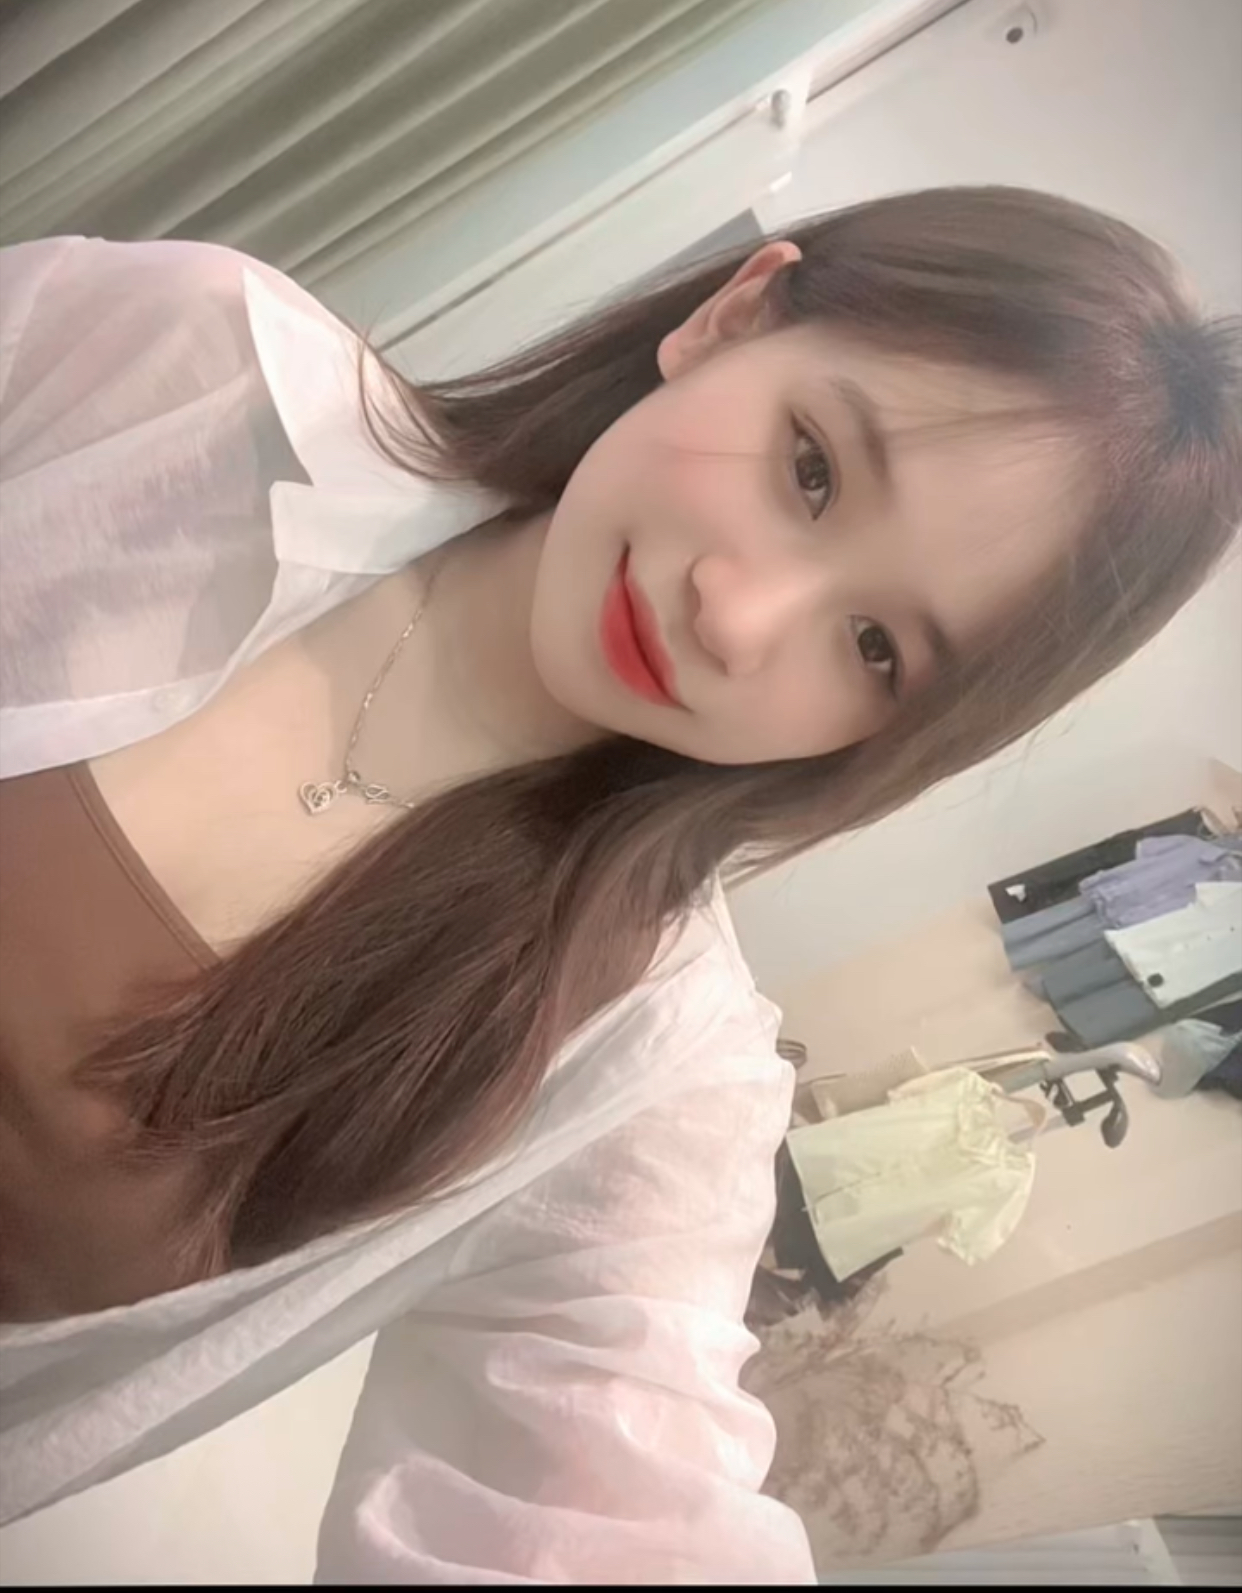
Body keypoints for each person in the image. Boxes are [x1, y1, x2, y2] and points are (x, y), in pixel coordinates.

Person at [0, 186, 1238, 1581]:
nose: (739, 617)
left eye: (876, 649)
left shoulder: (652, 1085)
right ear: (733, 315)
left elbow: (624, 1488)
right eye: (812, 470)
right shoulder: (184, 367)